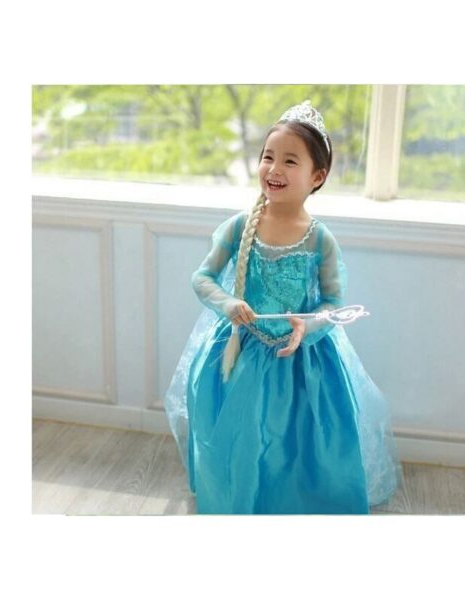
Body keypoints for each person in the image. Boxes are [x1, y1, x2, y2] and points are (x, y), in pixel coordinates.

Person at [164, 100, 403, 514]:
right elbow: (202, 278)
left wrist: (308, 327)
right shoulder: (239, 227)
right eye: (268, 157)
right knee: (243, 437)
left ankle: (291, 502)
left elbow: (333, 302)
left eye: (290, 161)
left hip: (300, 359)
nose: (274, 169)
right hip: (241, 352)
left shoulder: (320, 239)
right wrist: (228, 303)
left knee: (296, 439)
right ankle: (241, 498)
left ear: (317, 176)